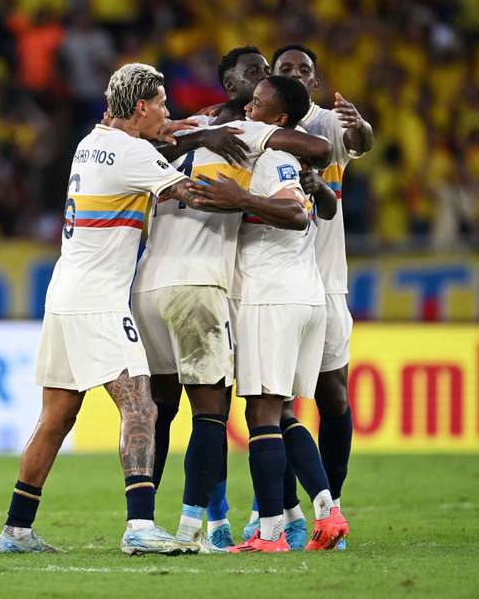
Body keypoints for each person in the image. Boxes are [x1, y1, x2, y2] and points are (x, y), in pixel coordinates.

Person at [0, 63, 231, 555]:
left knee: (57, 416)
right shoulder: (131, 153)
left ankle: (16, 529)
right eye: (162, 104)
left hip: (65, 292)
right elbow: (187, 191)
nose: (167, 112)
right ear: (141, 107)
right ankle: (140, 526)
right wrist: (251, 197)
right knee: (141, 404)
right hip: (97, 300)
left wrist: (182, 128)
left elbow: (157, 138)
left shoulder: (93, 141)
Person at [132, 104, 331, 551]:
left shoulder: (170, 138)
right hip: (198, 282)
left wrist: (196, 134)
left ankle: (140, 522)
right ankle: (193, 531)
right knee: (213, 411)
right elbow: (317, 151)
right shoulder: (247, 135)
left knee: (160, 411)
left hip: (145, 283)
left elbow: (139, 143)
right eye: (255, 81)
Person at [191, 76, 348, 553]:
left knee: (261, 412)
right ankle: (328, 511)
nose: (247, 108)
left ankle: (270, 534)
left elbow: (297, 215)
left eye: (257, 104)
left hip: (270, 297)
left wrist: (238, 199)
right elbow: (317, 207)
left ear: (279, 119)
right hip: (303, 294)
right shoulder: (286, 160)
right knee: (280, 413)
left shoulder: (272, 157)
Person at [266, 44, 375, 549]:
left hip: (327, 279)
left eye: (302, 70)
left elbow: (360, 141)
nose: (293, 74)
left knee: (333, 397)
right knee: (276, 402)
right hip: (274, 281)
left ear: (314, 81)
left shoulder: (329, 124)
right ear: (270, 76)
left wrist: (360, 125)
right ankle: (280, 512)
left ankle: (332, 503)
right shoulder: (256, 126)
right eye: (284, 68)